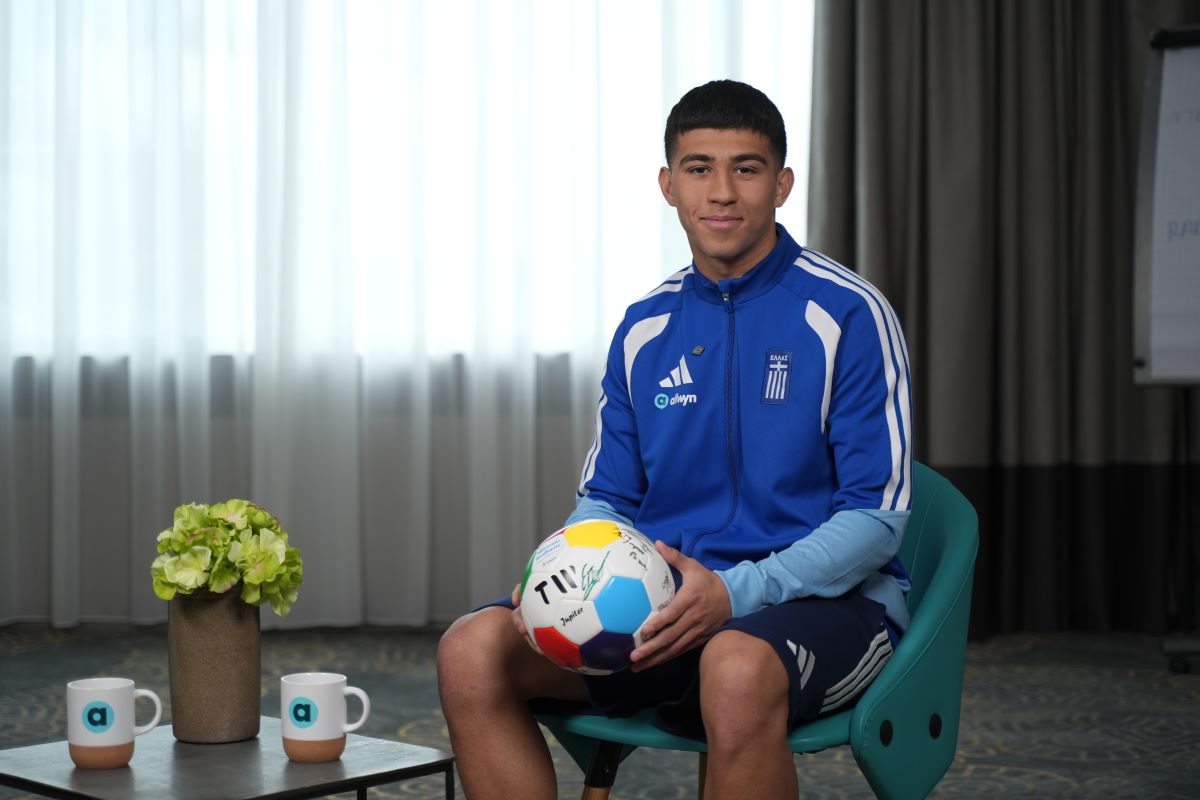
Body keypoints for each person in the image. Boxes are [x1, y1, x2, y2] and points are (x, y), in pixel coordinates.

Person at [437, 79, 912, 800]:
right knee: (472, 651)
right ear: (668, 185)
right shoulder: (645, 327)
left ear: (782, 184)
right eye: (698, 168)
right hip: (665, 609)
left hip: (826, 609)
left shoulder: (848, 313)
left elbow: (876, 518)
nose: (721, 192)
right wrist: (561, 571)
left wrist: (735, 592)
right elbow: (608, 497)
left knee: (735, 669)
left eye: (746, 168)